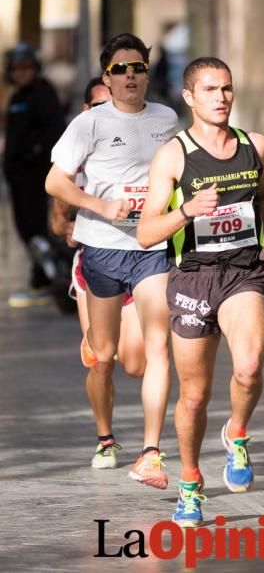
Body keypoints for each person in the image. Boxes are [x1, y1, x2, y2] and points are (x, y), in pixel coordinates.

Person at [137, 57, 264, 527]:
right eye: (209, 90)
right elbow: (146, 233)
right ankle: (190, 484)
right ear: (189, 97)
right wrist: (187, 212)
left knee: (247, 367)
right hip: (194, 276)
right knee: (195, 396)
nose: (220, 97)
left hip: (243, 272)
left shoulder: (254, 145)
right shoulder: (173, 156)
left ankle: (237, 433)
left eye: (226, 88)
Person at [45, 33, 178, 485]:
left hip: (151, 249)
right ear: (107, 76)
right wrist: (102, 207)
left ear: (147, 72)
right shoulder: (89, 123)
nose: (130, 76)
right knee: (104, 356)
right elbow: (54, 183)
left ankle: (151, 453)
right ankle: (105, 437)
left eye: (138, 67)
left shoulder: (166, 118)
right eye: (120, 69)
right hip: (101, 248)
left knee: (147, 357)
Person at [49, 77, 146, 463]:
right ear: (88, 110)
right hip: (94, 262)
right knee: (102, 360)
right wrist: (69, 228)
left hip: (140, 257)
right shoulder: (76, 155)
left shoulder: (142, 146)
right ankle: (105, 438)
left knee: (137, 364)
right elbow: (58, 220)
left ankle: (116, 338)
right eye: (102, 104)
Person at [3, 43, 66, 307]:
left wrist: (33, 155)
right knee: (25, 229)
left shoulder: (44, 93)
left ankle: (47, 279)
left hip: (37, 175)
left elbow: (54, 132)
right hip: (18, 178)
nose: (21, 73)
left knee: (37, 228)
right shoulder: (17, 98)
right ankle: (42, 276)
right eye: (16, 68)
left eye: (26, 67)